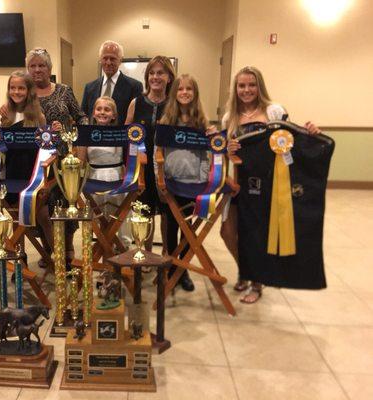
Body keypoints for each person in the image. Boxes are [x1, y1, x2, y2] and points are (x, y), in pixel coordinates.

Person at [222, 66, 320, 304]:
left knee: (256, 235)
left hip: (267, 183)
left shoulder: (274, 111)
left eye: (251, 85)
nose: (246, 90)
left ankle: (256, 282)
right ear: (235, 89)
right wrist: (227, 149)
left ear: (260, 86)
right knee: (227, 232)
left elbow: (290, 140)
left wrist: (311, 133)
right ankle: (246, 270)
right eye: (242, 85)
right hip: (238, 182)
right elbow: (224, 153)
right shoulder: (230, 116)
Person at [125, 56, 185, 285]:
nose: (156, 77)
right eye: (152, 73)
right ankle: (146, 255)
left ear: (170, 77)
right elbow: (127, 135)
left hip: (167, 167)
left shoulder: (176, 103)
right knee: (145, 212)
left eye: (161, 73)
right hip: (142, 168)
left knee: (168, 214)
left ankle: (167, 257)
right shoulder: (135, 103)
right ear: (147, 76)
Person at [157, 74, 216, 292]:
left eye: (189, 89)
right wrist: (160, 179)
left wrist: (203, 180)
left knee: (188, 231)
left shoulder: (201, 123)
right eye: (180, 89)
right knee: (171, 229)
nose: (184, 92)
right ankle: (172, 270)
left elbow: (208, 155)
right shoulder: (166, 122)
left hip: (195, 184)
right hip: (171, 183)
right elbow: (158, 153)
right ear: (174, 94)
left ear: (195, 93)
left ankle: (184, 270)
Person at [1, 70, 53, 262]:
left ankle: (56, 261)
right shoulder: (6, 114)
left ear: (29, 90)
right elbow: (1, 146)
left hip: (33, 175)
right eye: (12, 87)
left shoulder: (39, 116)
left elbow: (46, 151)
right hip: (12, 174)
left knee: (45, 218)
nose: (16, 91)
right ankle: (19, 261)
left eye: (21, 87)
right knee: (16, 221)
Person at [76, 96, 131, 247]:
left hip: (117, 175)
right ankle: (103, 243)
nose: (102, 112)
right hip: (94, 177)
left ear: (114, 115)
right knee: (99, 213)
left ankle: (123, 245)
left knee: (119, 213)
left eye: (107, 109)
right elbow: (81, 161)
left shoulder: (121, 133)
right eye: (98, 109)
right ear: (93, 113)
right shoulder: (87, 133)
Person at [81, 41, 143, 125]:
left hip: (121, 137)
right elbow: (83, 115)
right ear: (100, 60)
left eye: (112, 59)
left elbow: (137, 118)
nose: (108, 63)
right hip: (94, 136)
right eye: (105, 58)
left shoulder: (135, 86)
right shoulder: (89, 87)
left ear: (120, 60)